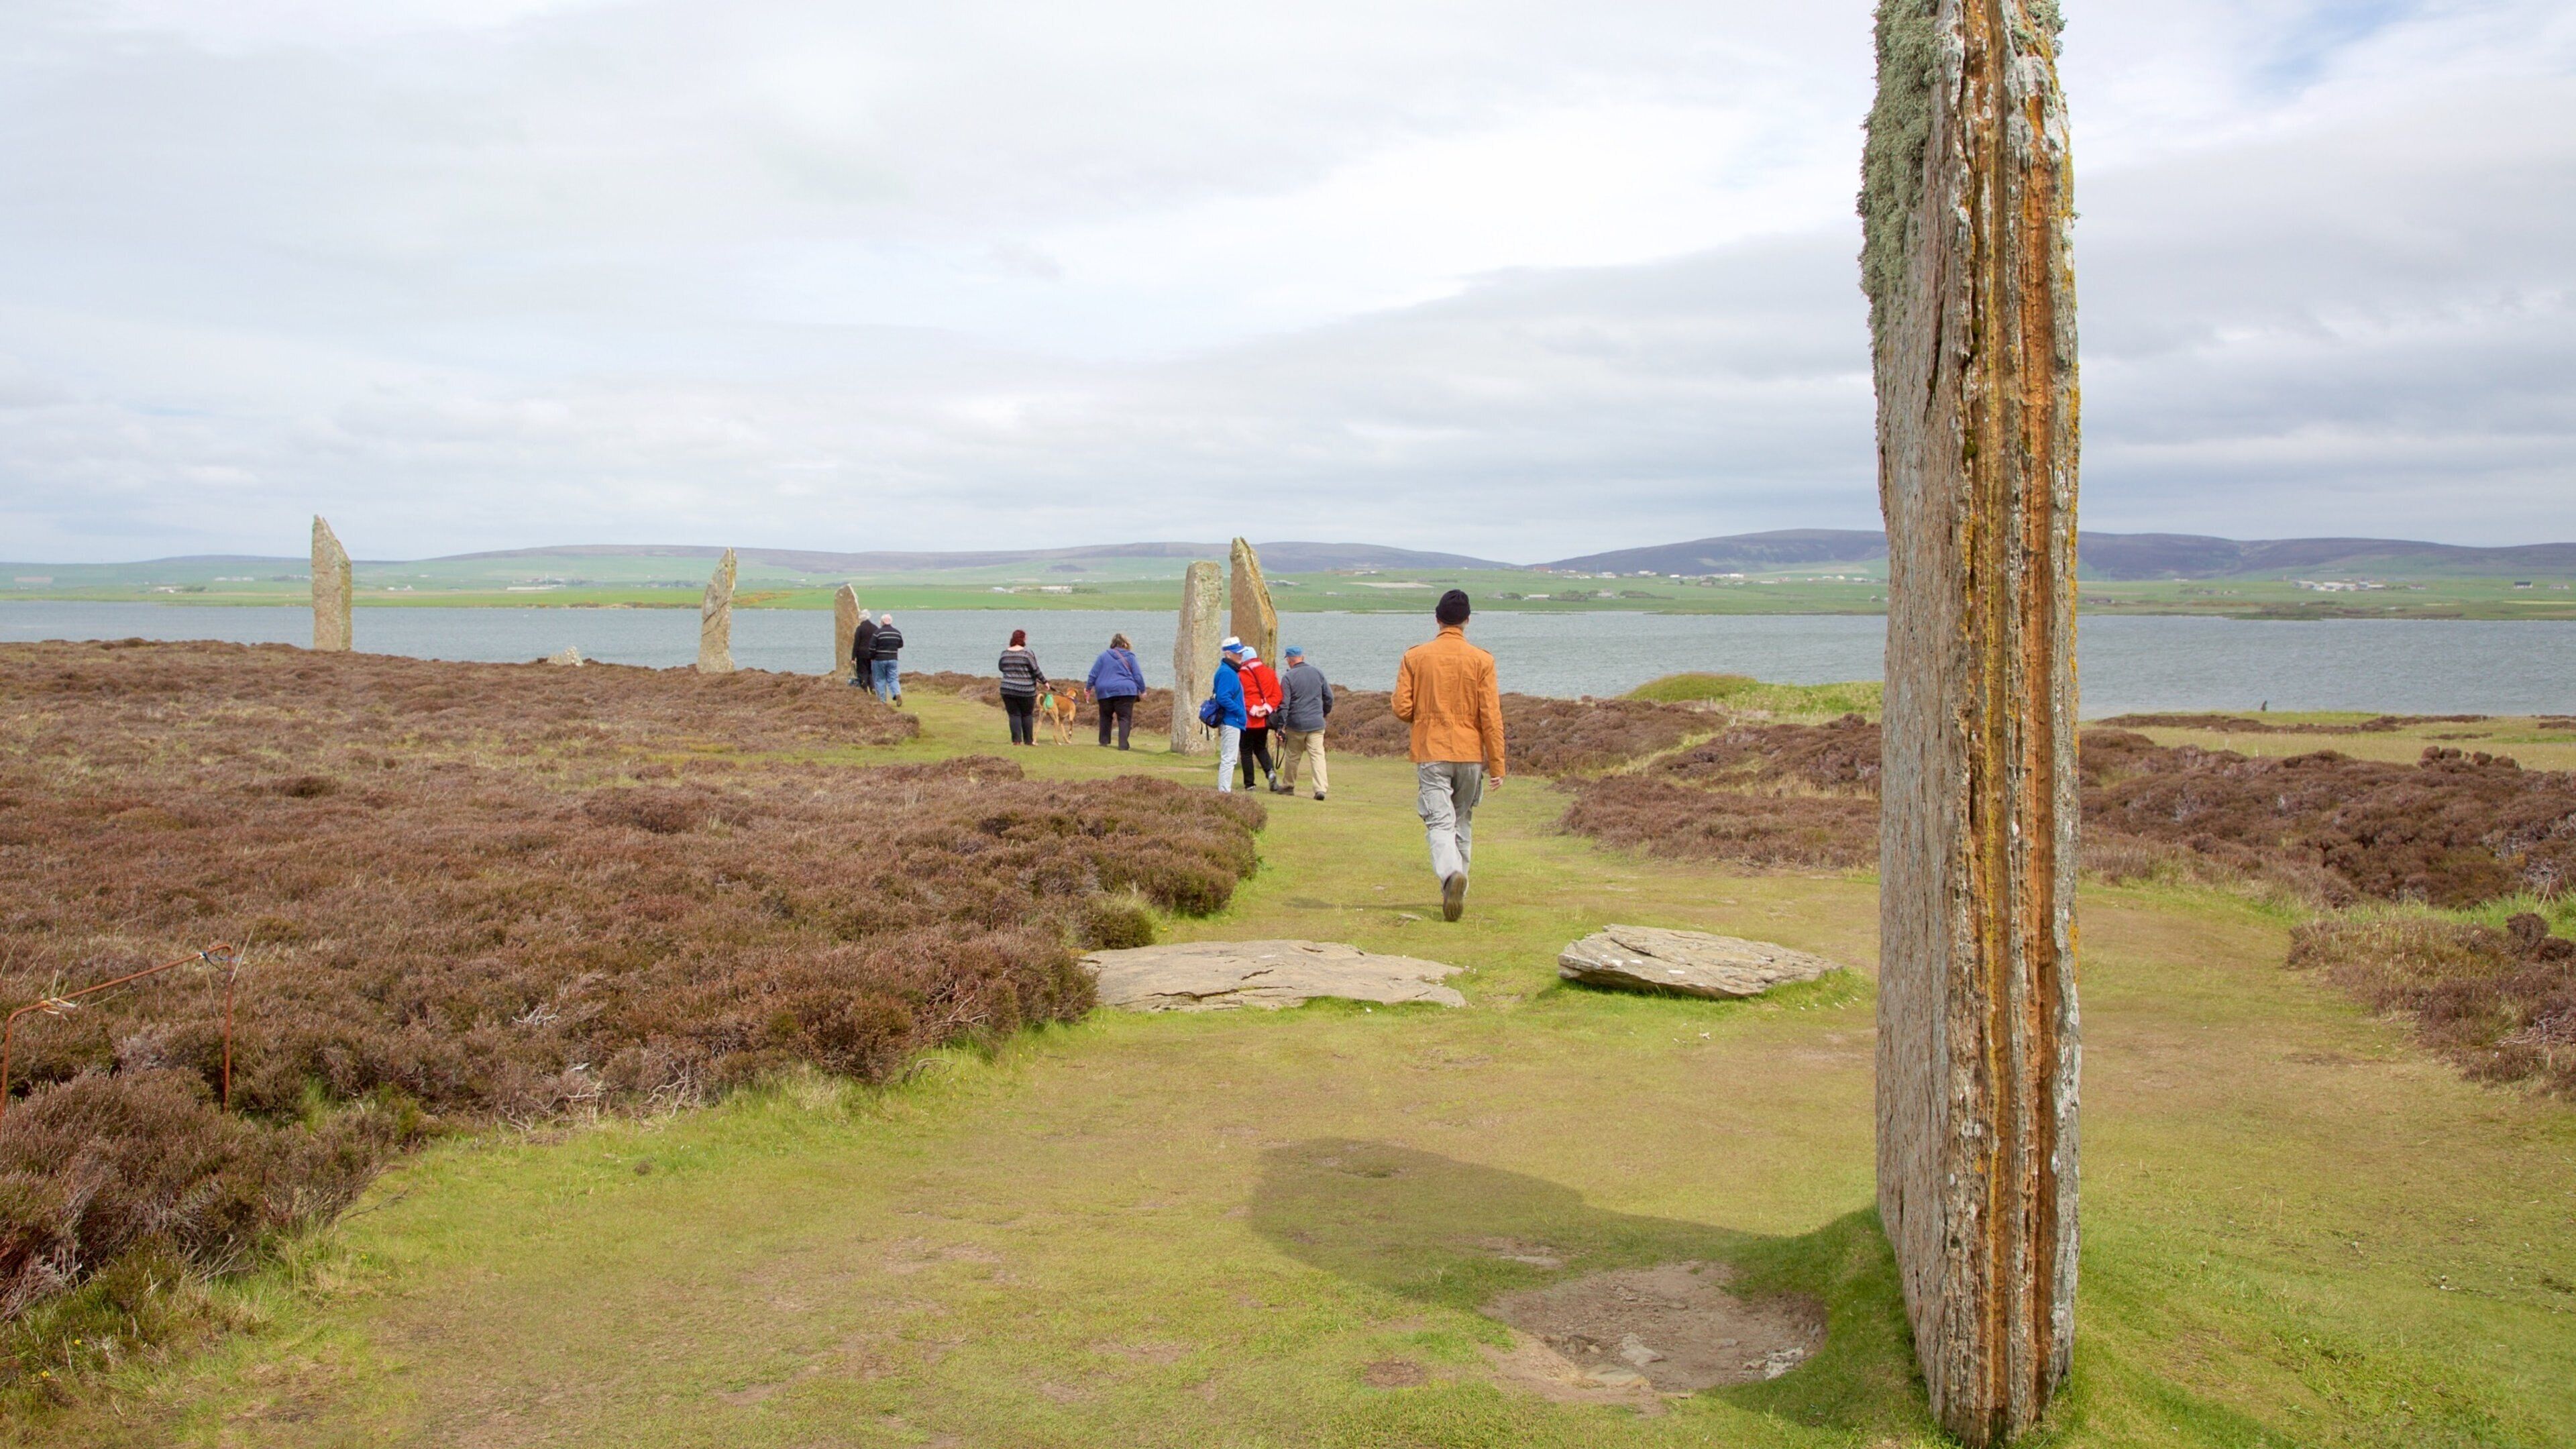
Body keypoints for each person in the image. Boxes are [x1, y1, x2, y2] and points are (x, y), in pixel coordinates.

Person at [1392, 589, 1505, 921]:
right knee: (1462, 821)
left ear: (1437, 618)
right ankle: (1459, 888)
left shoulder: (1415, 657)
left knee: (1439, 822)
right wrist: (1497, 764)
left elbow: (1401, 707)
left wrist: (1425, 716)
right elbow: (1491, 717)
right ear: (1467, 620)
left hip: (1432, 750)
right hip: (1470, 753)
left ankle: (1449, 876)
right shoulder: (1483, 660)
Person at [1274, 644, 1333, 800]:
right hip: (1316, 723)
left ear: (1288, 660)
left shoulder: (1288, 678)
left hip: (1297, 724)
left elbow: (1284, 704)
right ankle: (1320, 789)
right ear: (1303, 657)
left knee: (1293, 755)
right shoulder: (1318, 673)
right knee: (1318, 756)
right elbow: (1329, 697)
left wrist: (1281, 726)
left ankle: (1288, 785)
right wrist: (1323, 713)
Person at [1085, 633, 1146, 749]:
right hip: (1126, 691)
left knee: (1105, 715)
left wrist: (1088, 688)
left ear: (1113, 644)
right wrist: (1143, 690)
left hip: (1104, 691)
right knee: (1124, 718)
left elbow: (1093, 674)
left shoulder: (1103, 656)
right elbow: (1137, 675)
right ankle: (1123, 745)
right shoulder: (1130, 656)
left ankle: (1104, 741)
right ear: (1125, 644)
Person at [1235, 641, 1283, 792]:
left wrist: (1252, 710)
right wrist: (1266, 708)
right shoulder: (1269, 672)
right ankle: (1270, 772)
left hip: (1248, 718)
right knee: (1261, 747)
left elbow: (1240, 696)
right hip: (1264, 719)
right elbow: (1278, 695)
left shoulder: (1240, 674)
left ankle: (1250, 784)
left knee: (1246, 750)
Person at [1206, 641, 1248, 791]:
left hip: (1233, 720)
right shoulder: (1227, 672)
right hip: (1231, 720)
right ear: (1228, 654)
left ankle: (1225, 790)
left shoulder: (1229, 671)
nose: (1241, 655)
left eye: (1241, 653)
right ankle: (1224, 792)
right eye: (1238, 653)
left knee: (1230, 758)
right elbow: (1223, 697)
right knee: (1229, 759)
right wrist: (1239, 711)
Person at [997, 629, 1047, 746]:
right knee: (1027, 714)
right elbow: (1035, 669)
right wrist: (1045, 682)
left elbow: (1001, 667)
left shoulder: (1004, 653)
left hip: (1007, 688)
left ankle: (1016, 741)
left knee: (1014, 715)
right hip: (1026, 689)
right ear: (1024, 639)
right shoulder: (1027, 653)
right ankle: (1029, 741)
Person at [869, 613, 905, 703]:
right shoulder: (897, 632)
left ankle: (882, 700)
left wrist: (872, 657)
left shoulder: (878, 633)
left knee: (880, 679)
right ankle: (897, 693)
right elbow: (901, 645)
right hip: (893, 659)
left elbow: (872, 647)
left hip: (879, 659)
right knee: (893, 678)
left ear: (882, 622)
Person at [849, 613, 878, 688]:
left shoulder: (860, 628)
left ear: (861, 619)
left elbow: (856, 643)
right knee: (871, 672)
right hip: (873, 654)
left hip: (862, 654)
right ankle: (873, 688)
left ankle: (864, 689)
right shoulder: (875, 628)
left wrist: (853, 658)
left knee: (862, 672)